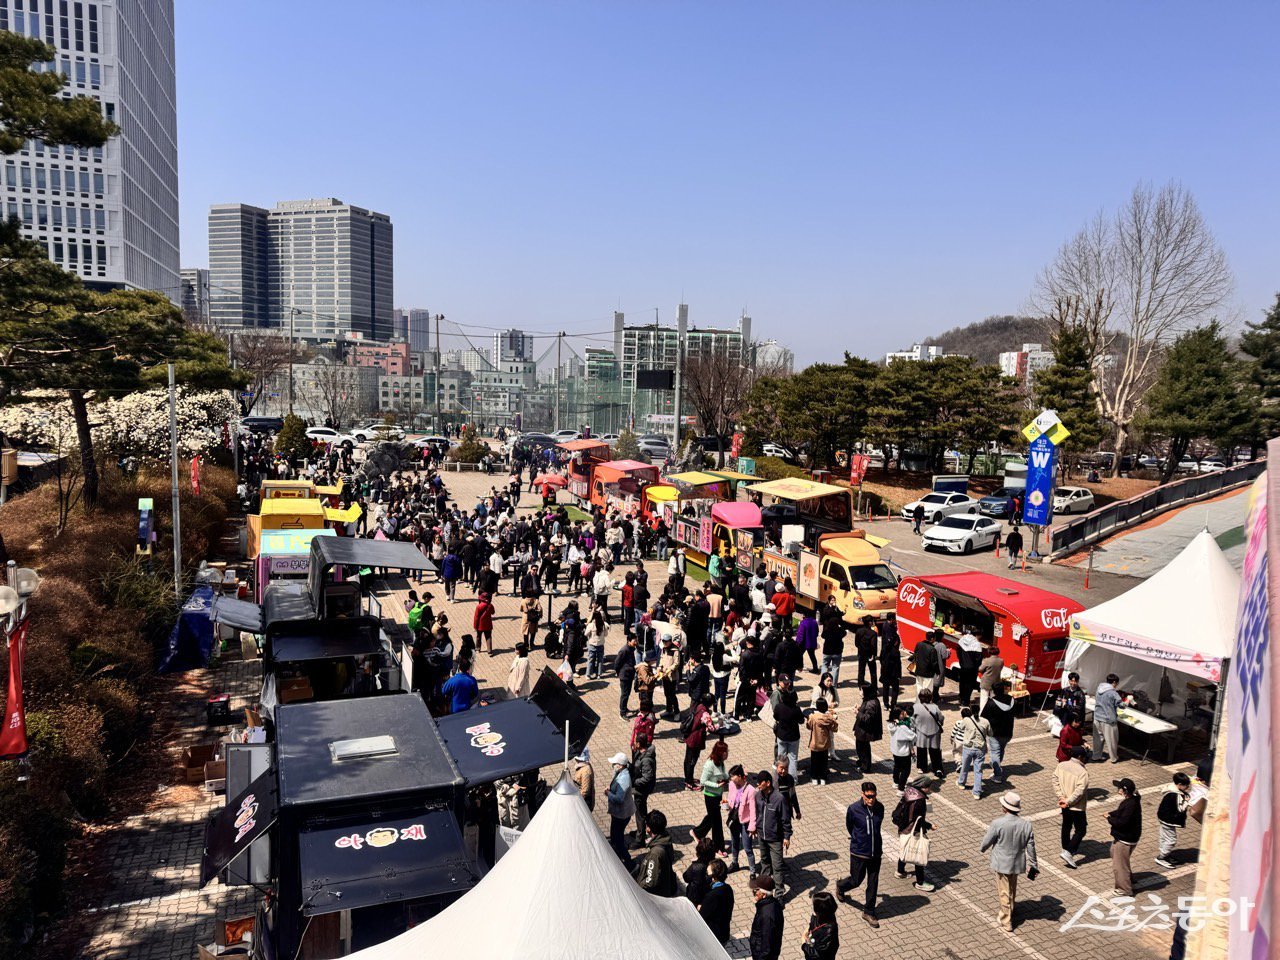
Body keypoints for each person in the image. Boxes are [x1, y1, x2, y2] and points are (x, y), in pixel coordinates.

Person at [980, 791, 1039, 932]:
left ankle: (1006, 920)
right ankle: (1010, 909)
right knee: (1012, 888)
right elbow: (1031, 847)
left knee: (1004, 892)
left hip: (1002, 863)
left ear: (1005, 808)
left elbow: (987, 841)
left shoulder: (998, 823)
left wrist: (982, 849)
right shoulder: (1026, 825)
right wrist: (1034, 864)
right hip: (1018, 862)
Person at [834, 780, 885, 928]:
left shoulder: (880, 808)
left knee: (873, 882)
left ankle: (869, 911)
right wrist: (858, 839)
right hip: (859, 852)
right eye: (868, 796)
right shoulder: (854, 809)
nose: (871, 799)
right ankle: (841, 886)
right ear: (862, 794)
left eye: (873, 796)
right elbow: (850, 826)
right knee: (856, 880)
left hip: (875, 853)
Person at [891, 774, 938, 891]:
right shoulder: (920, 800)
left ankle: (900, 871)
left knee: (906, 848)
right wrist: (929, 826)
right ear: (924, 787)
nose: (931, 789)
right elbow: (918, 819)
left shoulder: (909, 791)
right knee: (918, 854)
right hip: (913, 828)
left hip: (903, 826)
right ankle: (920, 882)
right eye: (929, 787)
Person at [755, 770, 792, 895]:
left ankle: (779, 893)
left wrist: (787, 836)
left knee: (777, 866)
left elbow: (785, 819)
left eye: (760, 783)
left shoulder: (779, 799)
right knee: (764, 862)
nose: (758, 785)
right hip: (762, 836)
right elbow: (757, 814)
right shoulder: (758, 796)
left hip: (775, 839)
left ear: (768, 783)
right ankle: (765, 889)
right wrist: (756, 827)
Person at [1053, 746, 1090, 869]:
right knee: (1081, 829)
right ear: (1080, 757)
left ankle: (1065, 847)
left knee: (1066, 825)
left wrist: (1061, 797)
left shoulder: (1061, 765)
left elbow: (1055, 780)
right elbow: (1080, 791)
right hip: (1076, 806)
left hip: (1064, 802)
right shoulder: (1082, 772)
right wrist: (1069, 801)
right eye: (1084, 756)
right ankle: (1068, 851)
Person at [693, 739, 730, 855]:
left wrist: (727, 778)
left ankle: (697, 833)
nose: (727, 753)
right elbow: (703, 781)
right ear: (719, 753)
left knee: (713, 819)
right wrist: (717, 784)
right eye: (725, 752)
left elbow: (724, 774)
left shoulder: (721, 762)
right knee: (717, 822)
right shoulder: (709, 765)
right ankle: (718, 848)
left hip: (718, 795)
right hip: (710, 796)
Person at [1108, 777, 1142, 896]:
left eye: (1119, 788)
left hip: (1125, 839)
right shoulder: (1133, 800)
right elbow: (1121, 813)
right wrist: (1111, 814)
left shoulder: (1130, 804)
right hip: (1128, 837)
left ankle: (1125, 889)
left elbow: (1121, 822)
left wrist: (1109, 818)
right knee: (1114, 853)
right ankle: (1129, 880)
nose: (1118, 789)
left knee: (1120, 866)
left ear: (1124, 790)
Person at [726, 764, 759, 876]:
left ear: (740, 776)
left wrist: (752, 827)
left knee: (747, 848)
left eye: (733, 776)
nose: (731, 779)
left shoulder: (750, 790)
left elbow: (753, 810)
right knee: (734, 842)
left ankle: (752, 871)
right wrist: (727, 805)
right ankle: (735, 863)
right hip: (734, 819)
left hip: (746, 822)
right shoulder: (731, 785)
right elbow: (730, 798)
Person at [981, 680, 1016, 783]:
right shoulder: (1012, 700)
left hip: (995, 733)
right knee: (1001, 749)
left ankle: (997, 775)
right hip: (1008, 732)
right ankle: (997, 765)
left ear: (994, 691)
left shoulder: (991, 702)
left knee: (995, 752)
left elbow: (983, 717)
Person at [636, 810, 678, 897]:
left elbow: (650, 881)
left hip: (657, 895)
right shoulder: (666, 839)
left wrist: (638, 886)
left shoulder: (655, 854)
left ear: (648, 829)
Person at [1155, 772, 1193, 868]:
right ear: (1179, 785)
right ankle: (1161, 857)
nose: (1188, 787)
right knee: (1171, 840)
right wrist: (1188, 802)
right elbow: (1180, 809)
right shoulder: (1176, 795)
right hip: (1169, 820)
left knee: (1164, 837)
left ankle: (1165, 855)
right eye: (1186, 785)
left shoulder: (1170, 790)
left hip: (1163, 818)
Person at [954, 706, 992, 798]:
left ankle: (961, 783)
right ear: (979, 711)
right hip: (980, 748)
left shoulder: (967, 720)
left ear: (971, 711)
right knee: (978, 770)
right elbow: (990, 733)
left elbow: (961, 728)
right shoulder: (985, 721)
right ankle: (977, 792)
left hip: (968, 747)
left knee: (965, 766)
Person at [606, 752, 635, 867]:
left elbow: (619, 799)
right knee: (615, 836)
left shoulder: (623, 779)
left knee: (618, 840)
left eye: (614, 763)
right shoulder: (621, 773)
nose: (613, 765)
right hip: (620, 813)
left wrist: (608, 793)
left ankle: (629, 862)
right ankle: (617, 857)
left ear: (621, 765)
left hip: (621, 814)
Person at [683, 694, 716, 790]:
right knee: (692, 761)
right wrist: (719, 725)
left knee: (688, 760)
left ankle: (688, 779)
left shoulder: (699, 706)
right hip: (696, 740)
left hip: (690, 737)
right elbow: (712, 728)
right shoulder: (705, 714)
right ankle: (689, 784)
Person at [631, 732, 657, 849]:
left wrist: (634, 782)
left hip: (641, 789)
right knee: (641, 810)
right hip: (640, 788)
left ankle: (640, 839)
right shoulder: (640, 752)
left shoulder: (646, 759)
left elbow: (647, 777)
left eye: (636, 742)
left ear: (639, 743)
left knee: (640, 813)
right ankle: (641, 830)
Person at [749, 875, 784, 960]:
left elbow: (766, 946)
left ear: (763, 894)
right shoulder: (770, 903)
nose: (753, 893)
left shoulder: (767, 915)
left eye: (755, 891)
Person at [772, 686, 805, 779]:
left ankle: (779, 777)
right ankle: (793, 779)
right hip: (793, 737)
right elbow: (801, 721)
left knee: (781, 758)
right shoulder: (796, 709)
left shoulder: (779, 707)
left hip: (781, 735)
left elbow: (776, 717)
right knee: (793, 758)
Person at [700, 858, 734, 944]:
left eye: (708, 873)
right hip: (724, 932)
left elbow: (702, 916)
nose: (706, 875)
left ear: (713, 877)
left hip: (713, 937)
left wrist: (700, 908)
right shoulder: (728, 888)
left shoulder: (712, 896)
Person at [805, 698, 838, 785]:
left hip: (815, 743)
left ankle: (815, 778)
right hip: (825, 743)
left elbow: (808, 726)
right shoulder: (829, 718)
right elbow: (834, 728)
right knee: (824, 761)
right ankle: (823, 778)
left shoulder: (813, 717)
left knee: (814, 761)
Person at [912, 689, 945, 776]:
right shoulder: (935, 707)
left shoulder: (916, 707)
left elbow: (912, 720)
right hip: (934, 732)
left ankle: (922, 767)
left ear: (920, 697)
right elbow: (941, 718)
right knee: (935, 751)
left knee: (921, 750)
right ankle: (937, 768)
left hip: (921, 732)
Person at [852, 685, 882, 776]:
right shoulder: (869, 699)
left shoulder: (871, 703)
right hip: (862, 730)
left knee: (863, 748)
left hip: (865, 731)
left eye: (861, 691)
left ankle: (865, 767)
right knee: (860, 747)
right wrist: (860, 709)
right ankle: (861, 762)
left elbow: (867, 718)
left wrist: (858, 712)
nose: (860, 693)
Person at [1094, 674, 1124, 762]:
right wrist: (1128, 700)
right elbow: (1122, 705)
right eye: (1117, 683)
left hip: (1097, 717)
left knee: (1098, 739)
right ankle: (1114, 758)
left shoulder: (1099, 688)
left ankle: (1096, 756)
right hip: (1108, 720)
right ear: (1114, 682)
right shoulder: (1113, 693)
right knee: (1112, 740)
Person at [802, 891, 839, 960]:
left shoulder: (829, 932)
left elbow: (817, 953)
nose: (813, 908)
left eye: (814, 906)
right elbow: (812, 924)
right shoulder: (823, 915)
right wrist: (808, 929)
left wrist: (804, 944)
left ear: (820, 910)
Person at [684, 836, 716, 906]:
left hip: (695, 898)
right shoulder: (716, 866)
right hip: (709, 897)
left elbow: (686, 877)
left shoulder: (695, 867)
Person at [889, 707, 915, 793]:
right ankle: (901, 788)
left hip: (895, 750)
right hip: (904, 752)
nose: (904, 714)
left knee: (897, 766)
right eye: (901, 713)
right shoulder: (903, 727)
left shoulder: (891, 724)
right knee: (906, 770)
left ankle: (896, 782)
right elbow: (913, 736)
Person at [977, 645, 1004, 712]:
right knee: (994, 699)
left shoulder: (986, 660)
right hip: (995, 683)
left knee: (984, 699)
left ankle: (982, 713)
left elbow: (980, 669)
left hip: (986, 682)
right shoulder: (1001, 661)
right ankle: (992, 712)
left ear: (989, 652)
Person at [473, 590, 495, 655]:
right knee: (488, 637)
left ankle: (478, 648)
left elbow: (476, 617)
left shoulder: (479, 606)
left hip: (480, 625)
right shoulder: (490, 605)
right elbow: (493, 612)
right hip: (488, 624)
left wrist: (475, 626)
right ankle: (489, 650)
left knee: (478, 636)